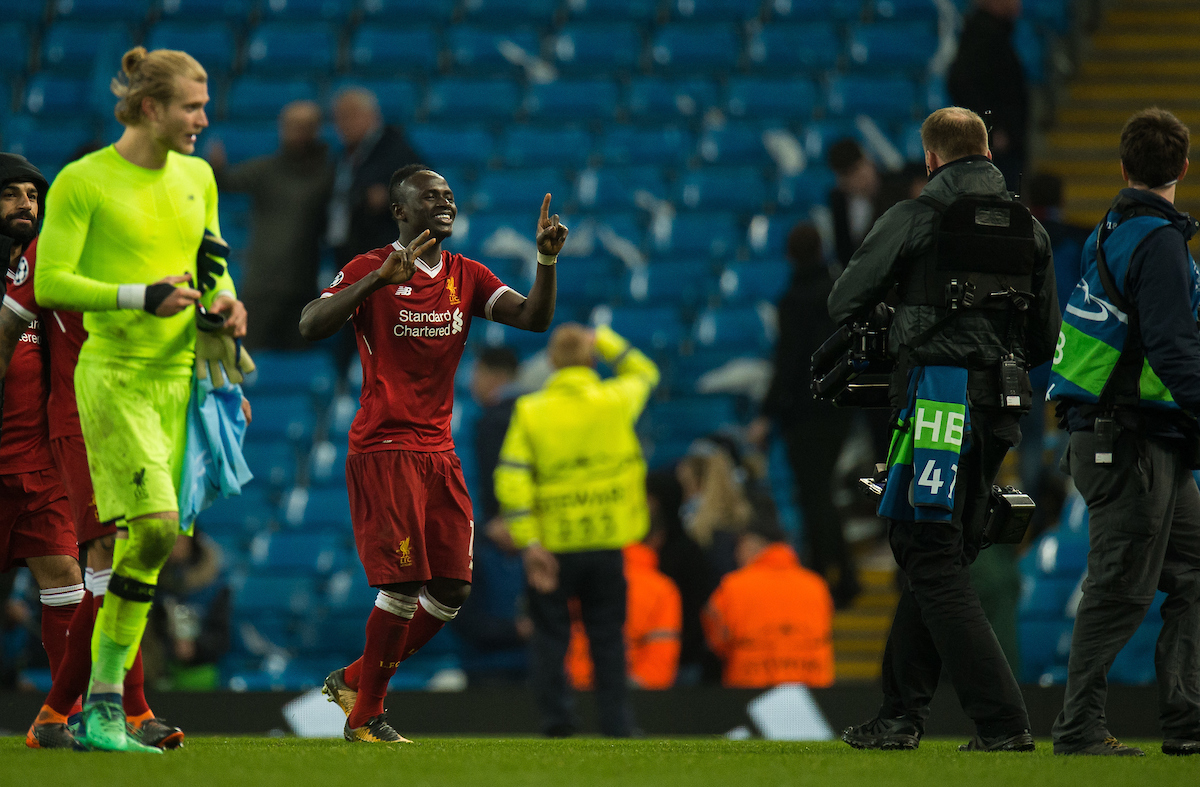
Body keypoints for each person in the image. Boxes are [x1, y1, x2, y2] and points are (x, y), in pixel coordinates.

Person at [300, 164, 565, 744]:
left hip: (438, 450)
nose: (445, 203)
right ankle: (366, 715)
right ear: (400, 210)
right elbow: (310, 323)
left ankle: (353, 680)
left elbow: (533, 318)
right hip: (386, 444)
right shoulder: (369, 267)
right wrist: (372, 284)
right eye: (430, 196)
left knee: (451, 587)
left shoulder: (465, 274)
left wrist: (545, 261)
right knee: (402, 581)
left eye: (449, 195)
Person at [35, 47, 247, 753]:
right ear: (151, 108)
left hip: (179, 376)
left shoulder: (198, 175)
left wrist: (225, 299)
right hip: (114, 374)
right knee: (151, 529)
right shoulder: (83, 180)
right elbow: (51, 283)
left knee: (153, 540)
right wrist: (140, 296)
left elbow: (211, 256)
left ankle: (100, 708)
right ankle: (101, 709)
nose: (204, 118)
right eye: (192, 105)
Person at [829, 107, 1059, 753]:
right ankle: (899, 713)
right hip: (1001, 408)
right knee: (944, 552)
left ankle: (1002, 720)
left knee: (929, 555)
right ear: (985, 151)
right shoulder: (1030, 230)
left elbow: (843, 298)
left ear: (931, 160)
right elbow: (1045, 338)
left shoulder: (916, 218)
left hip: (936, 401)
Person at [1048, 108, 1200, 757]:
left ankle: (1187, 719)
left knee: (1194, 568)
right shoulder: (1160, 243)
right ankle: (1078, 726)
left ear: (1122, 166)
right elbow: (1172, 347)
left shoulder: (1110, 230)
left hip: (1125, 435)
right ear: (1184, 167)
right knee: (1120, 586)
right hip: (1131, 440)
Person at [494, 322, 660, 738]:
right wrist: (605, 337)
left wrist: (528, 542)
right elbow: (645, 373)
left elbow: (511, 481)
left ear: (551, 362)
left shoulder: (531, 410)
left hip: (551, 546)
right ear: (590, 358)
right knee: (607, 636)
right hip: (605, 541)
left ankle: (557, 723)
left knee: (551, 636)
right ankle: (618, 724)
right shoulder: (613, 401)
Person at [0, 154, 87, 747]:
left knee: (66, 582)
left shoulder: (47, 279)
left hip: (39, 467)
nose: (25, 204)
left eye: (33, 194)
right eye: (10, 195)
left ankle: (67, 715)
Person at [748, 223, 859, 608]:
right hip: (839, 407)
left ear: (790, 255)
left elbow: (790, 363)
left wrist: (766, 414)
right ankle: (841, 575)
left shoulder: (794, 300)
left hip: (806, 413)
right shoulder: (838, 291)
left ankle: (831, 579)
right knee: (822, 492)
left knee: (814, 496)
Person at [207, 100, 333, 351]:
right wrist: (216, 168)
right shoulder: (267, 170)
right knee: (247, 357)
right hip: (261, 285)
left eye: (301, 127)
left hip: (302, 285)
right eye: (288, 127)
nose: (293, 134)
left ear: (314, 130)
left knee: (298, 363)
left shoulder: (329, 173)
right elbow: (226, 182)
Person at [702, 520, 834, 688]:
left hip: (750, 690)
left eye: (738, 547)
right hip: (812, 691)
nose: (736, 554)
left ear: (751, 544)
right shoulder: (816, 585)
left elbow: (717, 640)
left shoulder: (732, 586)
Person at [566, 534, 683, 692]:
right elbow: (660, 659)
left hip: (575, 690)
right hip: (636, 697)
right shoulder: (663, 590)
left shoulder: (576, 580)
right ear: (656, 540)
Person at [327, 88, 422, 268]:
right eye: (338, 117)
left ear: (372, 116)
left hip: (384, 253)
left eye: (350, 116)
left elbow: (422, 186)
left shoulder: (394, 149)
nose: (343, 124)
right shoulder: (344, 156)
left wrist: (389, 196)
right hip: (350, 250)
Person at [947, 0, 1029, 191]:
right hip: (995, 152)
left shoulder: (996, 33)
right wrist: (991, 128)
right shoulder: (983, 34)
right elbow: (961, 82)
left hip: (1004, 146)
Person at [142, 531, 231, 690]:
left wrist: (195, 648)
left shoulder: (216, 587)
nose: (173, 548)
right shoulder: (154, 583)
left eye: (179, 541)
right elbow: (150, 633)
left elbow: (222, 636)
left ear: (192, 541)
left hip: (204, 672)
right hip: (161, 673)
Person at [827, 139, 880, 269]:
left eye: (861, 167)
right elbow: (844, 252)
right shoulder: (839, 202)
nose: (862, 176)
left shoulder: (897, 191)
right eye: (851, 173)